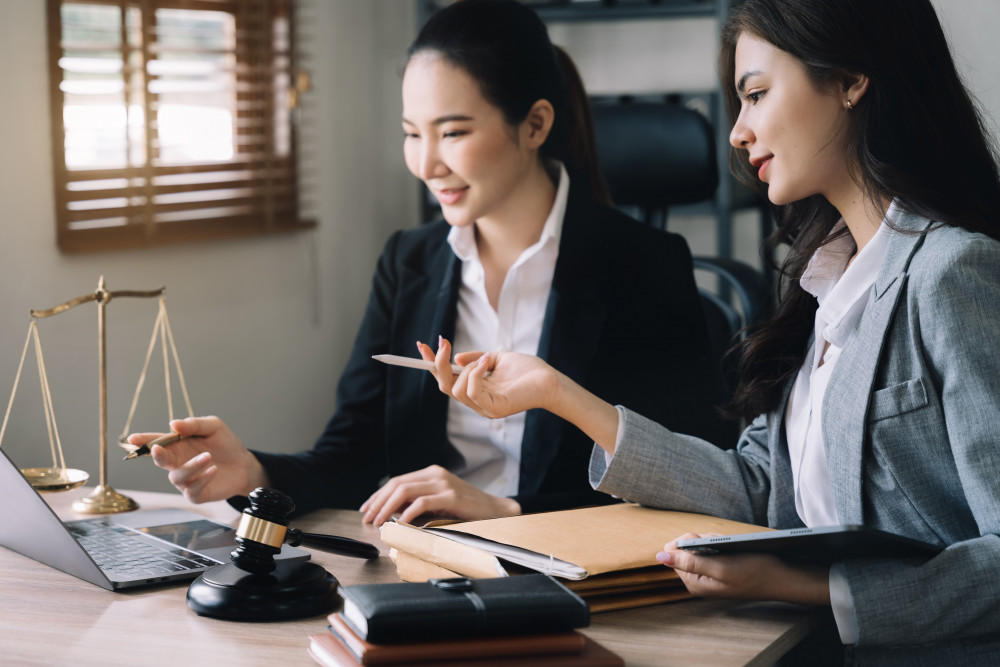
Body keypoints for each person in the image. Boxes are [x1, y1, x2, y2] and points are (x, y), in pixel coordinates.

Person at [427, 0, 1000, 662]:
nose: (737, 130)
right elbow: (757, 486)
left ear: (849, 78)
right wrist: (561, 395)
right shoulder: (827, 287)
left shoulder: (951, 275)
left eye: (755, 93)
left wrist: (823, 587)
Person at [132, 0, 730, 527]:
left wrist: (507, 513)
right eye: (412, 134)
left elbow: (682, 483)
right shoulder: (408, 262)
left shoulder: (643, 265)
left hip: (582, 580)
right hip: (430, 564)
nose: (426, 163)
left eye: (452, 132)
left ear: (535, 125)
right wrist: (254, 471)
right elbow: (353, 455)